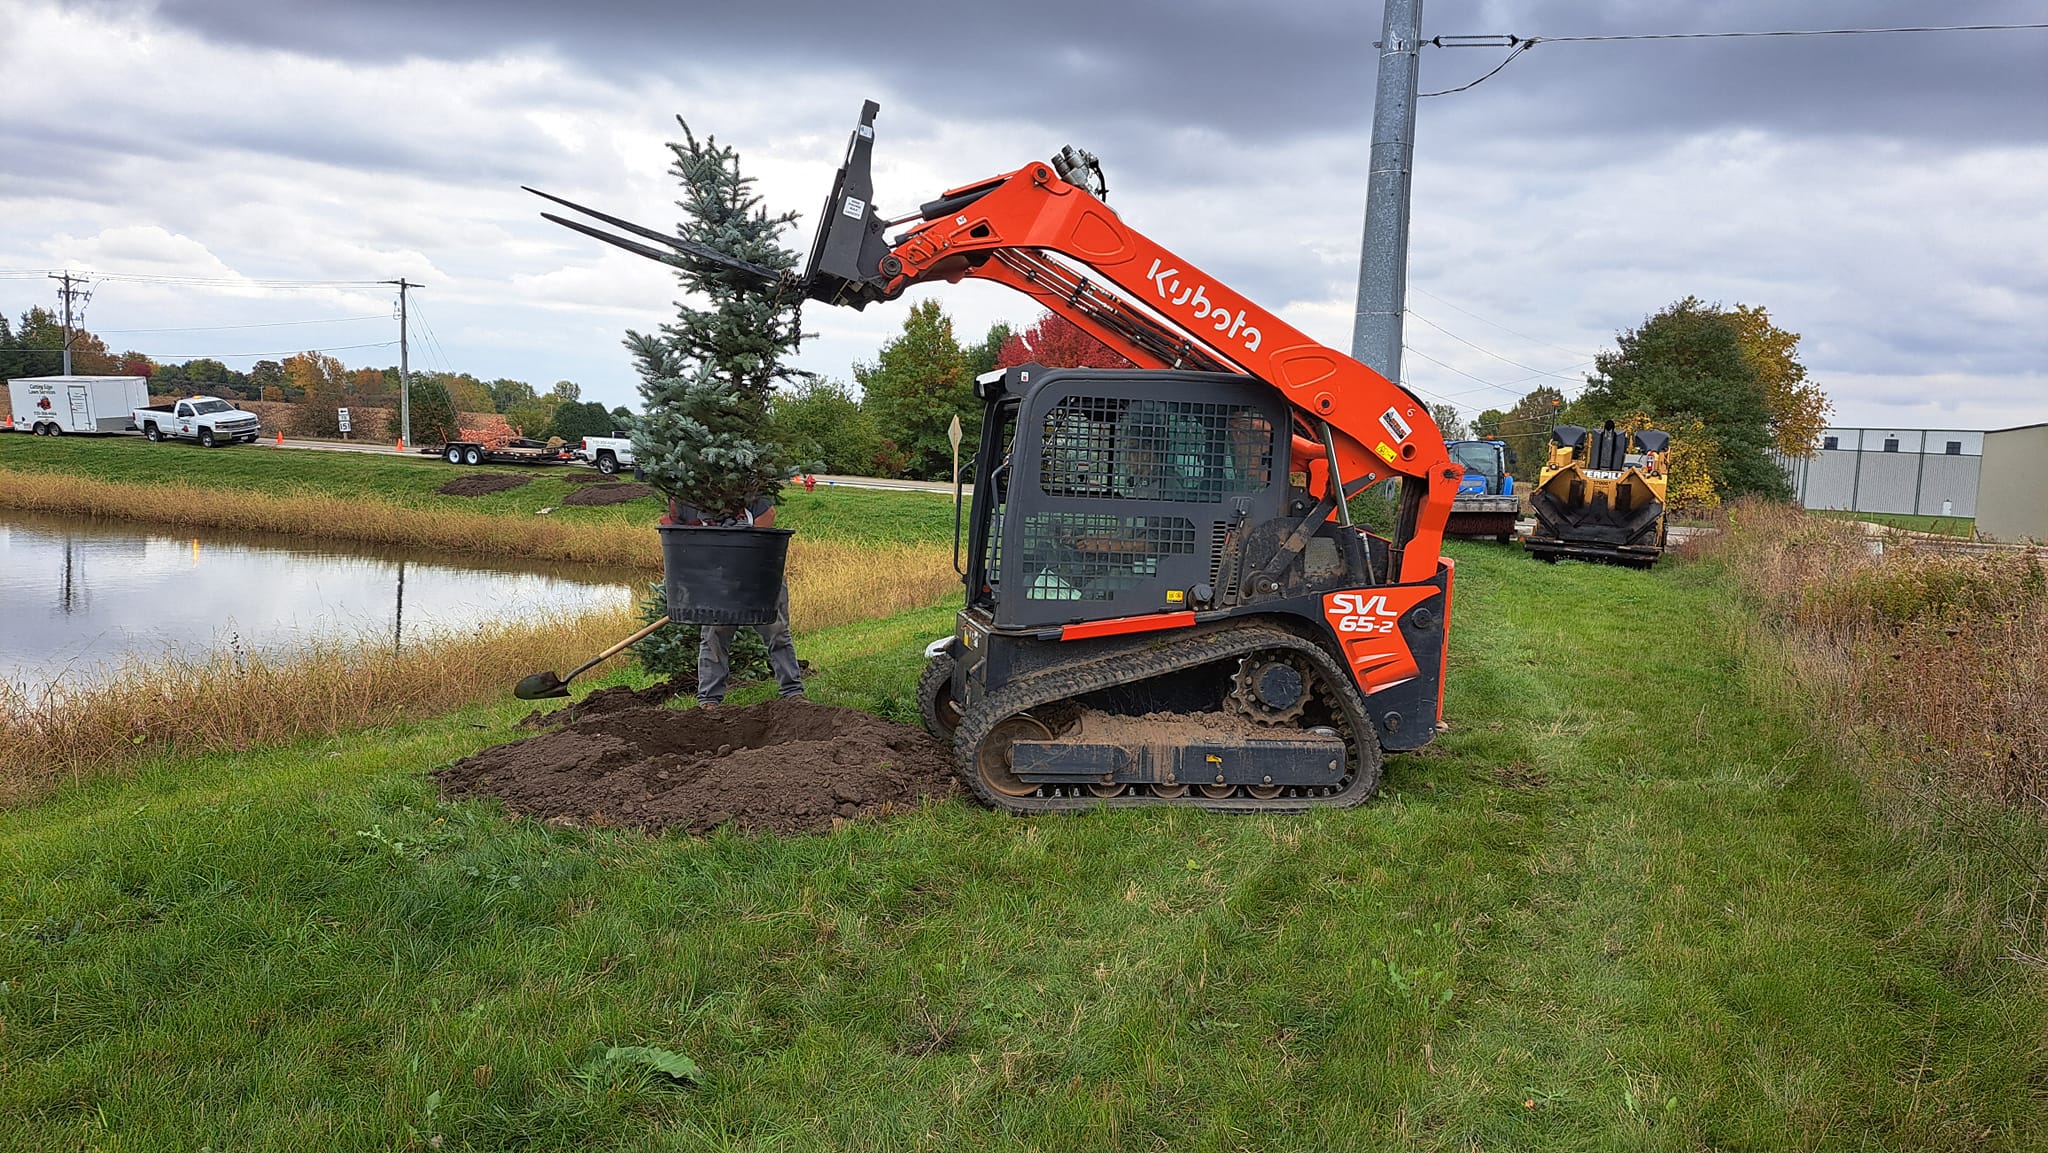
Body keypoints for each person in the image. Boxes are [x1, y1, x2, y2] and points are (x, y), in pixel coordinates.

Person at [660, 494, 804, 705]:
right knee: (714, 634)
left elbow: (767, 516)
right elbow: (676, 530)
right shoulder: (686, 496)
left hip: (758, 574)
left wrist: (745, 560)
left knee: (777, 631)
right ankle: (709, 700)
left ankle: (792, 693)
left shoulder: (742, 485)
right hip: (715, 580)